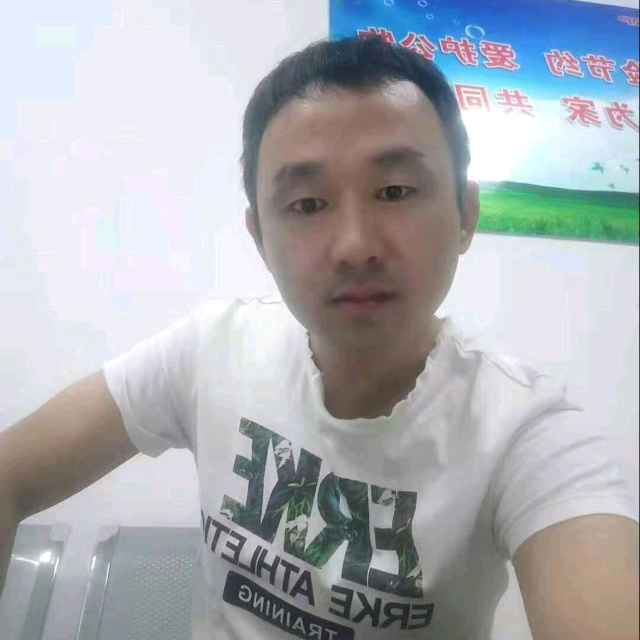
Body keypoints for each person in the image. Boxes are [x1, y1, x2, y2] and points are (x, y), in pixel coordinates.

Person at [0, 36, 638, 640]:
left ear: (465, 215)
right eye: (307, 204)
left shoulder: (526, 433)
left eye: (395, 191)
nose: (355, 246)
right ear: (260, 236)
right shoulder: (210, 350)